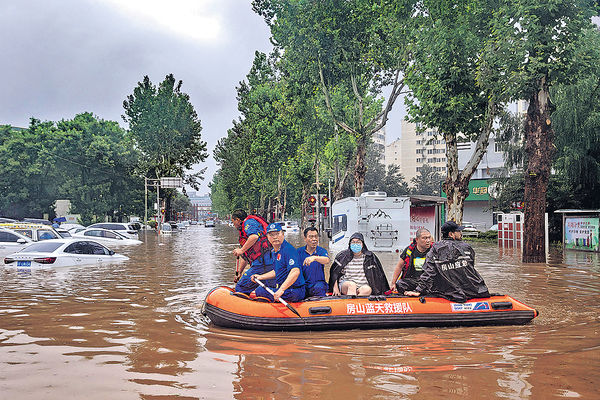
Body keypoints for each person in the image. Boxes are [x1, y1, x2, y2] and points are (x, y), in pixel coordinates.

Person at [404, 221, 490, 303]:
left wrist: (418, 290)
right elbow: (470, 268)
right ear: (451, 234)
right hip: (472, 290)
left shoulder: (435, 248)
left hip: (449, 291)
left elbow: (429, 272)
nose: (461, 233)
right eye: (458, 231)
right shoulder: (467, 247)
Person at [251, 223, 306, 302]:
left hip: (295, 291)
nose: (275, 237)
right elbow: (278, 271)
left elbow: (295, 271)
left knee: (260, 291)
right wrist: (260, 277)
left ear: (283, 234)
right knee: (263, 285)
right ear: (267, 237)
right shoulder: (275, 251)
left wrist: (281, 290)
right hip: (287, 289)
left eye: (277, 234)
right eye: (271, 235)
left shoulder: (288, 250)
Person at [231, 209, 274, 294]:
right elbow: (245, 256)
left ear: (238, 220)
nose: (233, 225)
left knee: (240, 287)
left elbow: (254, 236)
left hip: (262, 263)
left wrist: (241, 250)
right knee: (262, 289)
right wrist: (239, 272)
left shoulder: (249, 223)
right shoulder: (244, 233)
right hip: (262, 263)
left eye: (233, 222)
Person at [390, 228, 432, 292]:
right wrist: (393, 283)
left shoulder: (434, 250)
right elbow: (399, 266)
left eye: (429, 237)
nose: (428, 240)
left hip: (428, 281)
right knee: (400, 284)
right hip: (413, 280)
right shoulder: (409, 250)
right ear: (417, 239)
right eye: (424, 238)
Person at [297, 227, 330, 298]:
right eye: (311, 237)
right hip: (303, 284)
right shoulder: (298, 252)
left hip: (318, 284)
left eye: (316, 236)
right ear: (305, 238)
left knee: (319, 288)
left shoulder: (321, 251)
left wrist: (315, 258)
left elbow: (327, 260)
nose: (314, 239)